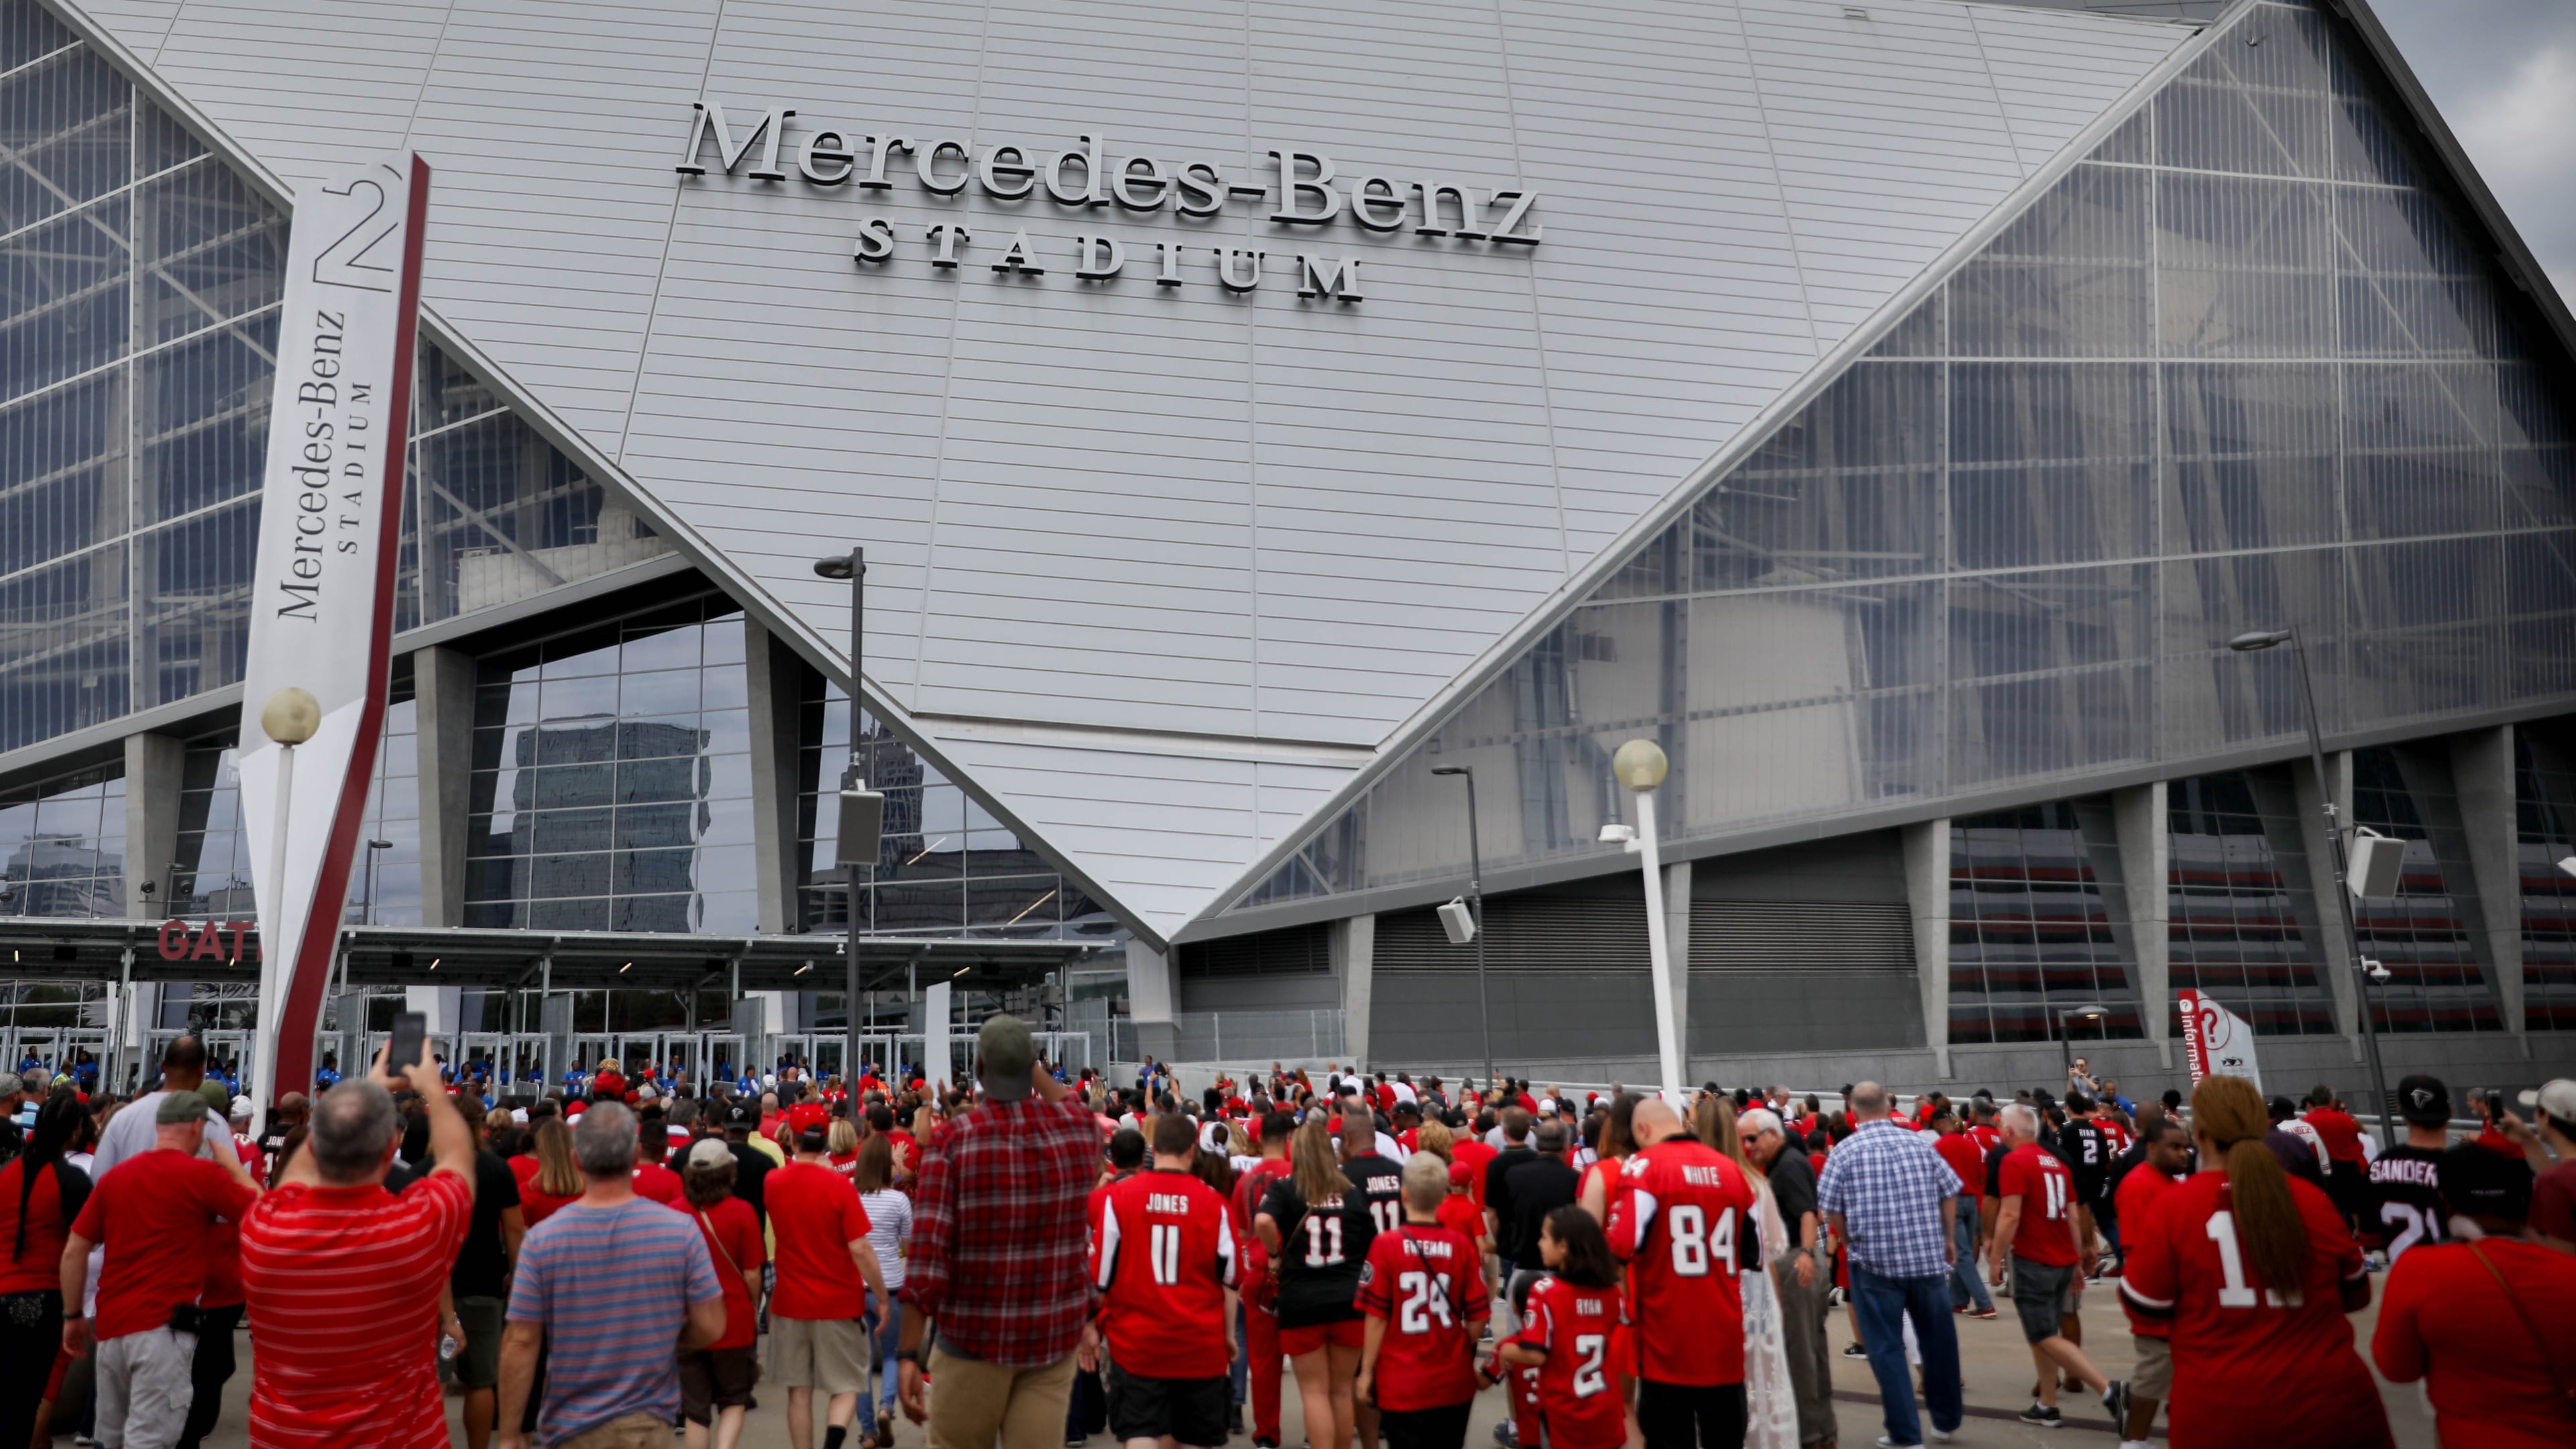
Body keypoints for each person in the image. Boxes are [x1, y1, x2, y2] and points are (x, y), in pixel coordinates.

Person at [2117, 1075, 2390, 1449]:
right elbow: (2356, 1295)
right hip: (2333, 1405)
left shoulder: (2174, 1208)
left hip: (2222, 1411)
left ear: (2199, 1135)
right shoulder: (2310, 1201)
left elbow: (2143, 1308)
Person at [235, 1050, 475, 1448]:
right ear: (389, 1151)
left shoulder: (264, 1226)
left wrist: (364, 1093)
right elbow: (458, 1160)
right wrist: (434, 1087)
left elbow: (296, 1173)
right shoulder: (415, 1230)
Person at [896, 1017, 1100, 1449]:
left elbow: (927, 1260)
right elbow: (1072, 1103)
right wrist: (1030, 1065)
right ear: (1031, 1067)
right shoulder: (1076, 1131)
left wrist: (908, 1352)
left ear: (980, 1070)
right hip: (1051, 1338)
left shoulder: (952, 1142)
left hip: (972, 1338)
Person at [498, 1101, 726, 1449]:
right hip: (648, 1420)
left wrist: (511, 1433)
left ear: (577, 1159)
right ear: (635, 1157)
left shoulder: (542, 1241)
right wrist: (662, 1339)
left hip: (571, 1422)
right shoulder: (680, 1231)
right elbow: (710, 1325)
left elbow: (522, 1341)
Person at [62, 1088, 262, 1449]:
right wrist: (232, 1168)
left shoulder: (115, 1178)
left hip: (112, 1328)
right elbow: (269, 1214)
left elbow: (75, 1250)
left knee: (110, 1437)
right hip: (163, 1329)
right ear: (198, 1126)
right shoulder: (202, 1177)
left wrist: (74, 1315)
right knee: (151, 1437)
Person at [2370, 1141, 2576, 1448]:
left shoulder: (2419, 1270)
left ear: (2446, 1203)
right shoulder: (2566, 1271)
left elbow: (2397, 1368)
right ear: (2521, 1199)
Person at [1813, 1082, 1969, 1449]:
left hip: (1874, 1263)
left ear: (1852, 1109)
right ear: (1888, 1105)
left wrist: (1848, 1238)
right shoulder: (1920, 1144)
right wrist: (1948, 1238)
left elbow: (1829, 1207)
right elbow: (1949, 1191)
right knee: (1938, 1341)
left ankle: (1905, 1432)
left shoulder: (1844, 1152)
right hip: (1925, 1259)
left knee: (1885, 1347)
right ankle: (1946, 1420)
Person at [1607, 1095, 1759, 1449]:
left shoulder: (1643, 1168)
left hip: (1667, 1340)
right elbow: (1755, 1254)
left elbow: (1619, 1246)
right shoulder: (1731, 1170)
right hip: (1723, 1337)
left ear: (1643, 1129)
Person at [1086, 1112, 1239, 1449]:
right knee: (1196, 1435)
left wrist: (1090, 1327)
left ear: (1154, 1148)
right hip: (1198, 1343)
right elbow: (1230, 1278)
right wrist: (1228, 1335)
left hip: (1137, 1343)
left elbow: (1098, 1277)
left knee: (1141, 1430)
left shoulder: (1119, 1197)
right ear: (1190, 1152)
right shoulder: (1214, 1203)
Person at [1988, 1102, 2121, 1430]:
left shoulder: (2013, 1160)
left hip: (2035, 1258)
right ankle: (2047, 1402)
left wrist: (1994, 1258)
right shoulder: (2057, 1163)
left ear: (2008, 1130)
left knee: (2042, 1333)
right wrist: (2077, 1259)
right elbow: (2074, 1216)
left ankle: (2108, 1389)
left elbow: (2010, 1214)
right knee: (2044, 1332)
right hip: (2062, 1257)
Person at [1355, 1152, 1490, 1449]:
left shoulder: (1385, 1245)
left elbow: (1376, 1316)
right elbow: (1480, 1315)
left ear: (1404, 1195)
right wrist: (1459, 1343)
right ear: (1443, 1196)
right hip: (1451, 1379)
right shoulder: (1460, 1247)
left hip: (1400, 1379)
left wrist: (1366, 1371)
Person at [769, 1122, 891, 1449]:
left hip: (791, 1301)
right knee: (849, 1383)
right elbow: (860, 1248)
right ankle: (833, 1442)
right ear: (824, 1141)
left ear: (792, 1141)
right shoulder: (839, 1186)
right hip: (839, 1301)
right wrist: (882, 1296)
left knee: (799, 1392)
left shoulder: (774, 1182)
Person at [1257, 1116, 1370, 1449]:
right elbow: (1370, 1243)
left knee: (1315, 1393)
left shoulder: (1285, 1188)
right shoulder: (1352, 1193)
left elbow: (1263, 1220)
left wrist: (1275, 1254)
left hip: (1302, 1300)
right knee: (1341, 1389)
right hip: (1348, 1299)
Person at [1739, 1108, 1835, 1449]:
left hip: (1796, 1261)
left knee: (1800, 1355)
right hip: (1801, 1259)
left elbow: (1808, 1212)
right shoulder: (1789, 1163)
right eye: (1743, 1140)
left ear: (1772, 1134)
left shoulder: (1789, 1166)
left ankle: (1811, 1435)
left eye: (1752, 1138)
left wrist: (1807, 1254)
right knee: (1812, 1350)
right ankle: (1822, 1432)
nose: (1748, 1146)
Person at [1496, 1207, 1627, 1449]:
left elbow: (1535, 1354)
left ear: (1564, 1246)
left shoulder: (1546, 1291)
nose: (1539, 1244)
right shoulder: (1612, 1292)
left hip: (1566, 1412)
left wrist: (1506, 1351)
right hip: (1606, 1409)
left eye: (1545, 1237)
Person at [0, 1091, 87, 1449]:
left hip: (3, 1289)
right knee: (27, 1398)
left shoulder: (7, 1172)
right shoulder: (72, 1180)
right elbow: (85, 1245)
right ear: (74, 1132)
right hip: (44, 1297)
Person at [675, 1138, 765, 1449]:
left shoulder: (674, 1212)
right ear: (728, 1173)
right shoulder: (742, 1212)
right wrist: (754, 1306)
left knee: (696, 1410)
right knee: (734, 1399)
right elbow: (753, 1272)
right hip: (732, 1317)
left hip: (687, 1322)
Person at [2109, 1114, 2190, 1449]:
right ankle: (2135, 1441)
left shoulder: (2171, 1184)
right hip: (2154, 1297)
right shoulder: (2138, 1186)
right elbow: (2138, 1250)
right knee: (2154, 1371)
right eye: (2174, 1147)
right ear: (2151, 1147)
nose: (2183, 1154)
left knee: (2175, 1373)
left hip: (2177, 1296)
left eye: (2185, 1147)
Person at [1230, 1110, 1296, 1449]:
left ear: (1257, 1139)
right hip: (1299, 1274)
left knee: (1264, 1362)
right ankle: (1320, 1428)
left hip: (1259, 1275)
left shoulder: (1245, 1180)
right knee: (1311, 1360)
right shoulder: (1298, 1174)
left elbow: (1242, 1231)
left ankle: (1267, 1434)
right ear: (1288, 1138)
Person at [2368, 1073, 2467, 1267]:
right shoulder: (2459, 1165)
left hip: (2404, 1280)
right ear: (2450, 1111)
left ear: (2402, 1112)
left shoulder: (2379, 1164)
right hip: (2451, 1276)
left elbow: (2369, 1236)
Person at [851, 1134, 912, 1448]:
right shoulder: (899, 1200)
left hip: (856, 1287)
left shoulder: (851, 1196)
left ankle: (869, 1430)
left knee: (861, 1361)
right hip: (891, 1285)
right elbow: (908, 1244)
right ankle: (887, 1407)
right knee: (890, 1354)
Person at [1501, 1121, 1580, 1311]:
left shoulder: (1514, 1175)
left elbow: (1503, 1218)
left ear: (1537, 1145)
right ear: (1566, 1146)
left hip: (1523, 1268)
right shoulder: (1574, 1180)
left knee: (1520, 1336)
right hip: (1562, 1274)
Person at [1928, 1108, 1993, 1318]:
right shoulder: (1970, 1145)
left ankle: (1985, 1304)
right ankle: (1957, 1300)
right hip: (1972, 1200)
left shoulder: (1938, 1147)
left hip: (1952, 1202)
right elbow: (1981, 1176)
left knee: (1961, 1254)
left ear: (1938, 1124)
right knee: (1962, 1252)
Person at [2522, 1078, 2576, 1250]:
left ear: (2545, 1116)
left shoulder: (2555, 1182)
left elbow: (2560, 1258)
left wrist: (2525, 1229)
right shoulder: (2561, 1179)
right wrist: (2528, 1141)